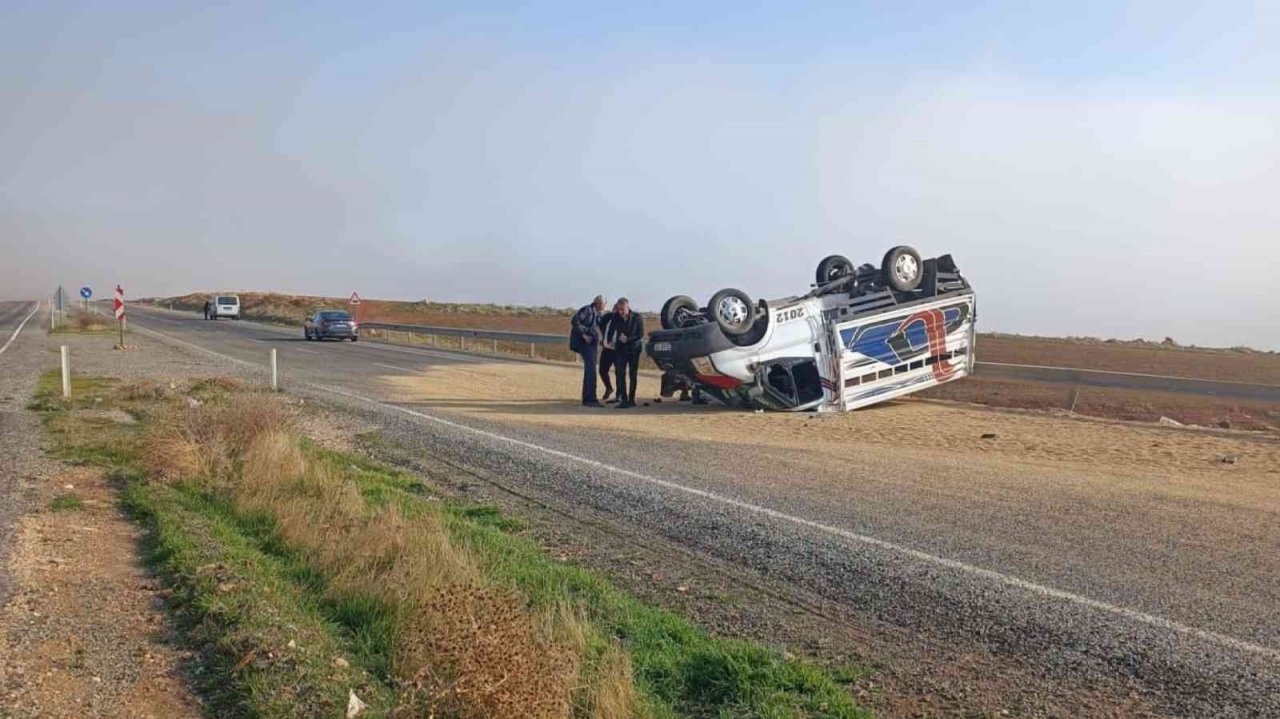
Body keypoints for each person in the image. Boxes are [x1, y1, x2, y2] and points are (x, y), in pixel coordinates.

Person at [570, 295, 607, 406]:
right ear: (599, 303)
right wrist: (584, 334)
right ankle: (590, 399)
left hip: (591, 344)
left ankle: (588, 398)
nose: (605, 306)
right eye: (605, 303)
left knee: (590, 370)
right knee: (591, 370)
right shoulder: (587, 310)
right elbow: (575, 321)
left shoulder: (597, 313)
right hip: (585, 344)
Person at [611, 298, 644, 408]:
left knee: (632, 375)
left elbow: (640, 334)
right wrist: (610, 340)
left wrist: (628, 339)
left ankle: (631, 399)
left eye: (622, 309)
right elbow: (613, 328)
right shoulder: (616, 317)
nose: (620, 312)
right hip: (621, 349)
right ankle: (624, 399)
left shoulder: (637, 317)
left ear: (627, 307)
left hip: (633, 349)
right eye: (619, 309)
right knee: (620, 374)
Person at [597, 301, 621, 402]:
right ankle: (609, 388)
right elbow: (598, 327)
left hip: (619, 350)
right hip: (607, 349)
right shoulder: (607, 317)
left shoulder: (624, 319)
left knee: (619, 373)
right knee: (602, 370)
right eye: (615, 309)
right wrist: (602, 338)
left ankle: (619, 395)